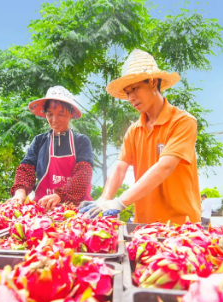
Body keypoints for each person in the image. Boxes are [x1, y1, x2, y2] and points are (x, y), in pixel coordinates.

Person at [81, 49, 200, 224]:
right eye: (128, 92)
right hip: (143, 225)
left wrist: (120, 202)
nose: (131, 98)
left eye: (135, 89)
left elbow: (164, 167)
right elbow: (120, 168)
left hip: (180, 226)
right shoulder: (134, 131)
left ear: (153, 83)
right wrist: (104, 199)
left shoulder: (183, 122)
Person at [10, 86, 94, 210]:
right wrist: (20, 191)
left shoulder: (81, 141)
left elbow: (84, 173)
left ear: (71, 114)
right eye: (50, 114)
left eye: (61, 114)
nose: (54, 120)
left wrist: (60, 195)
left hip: (77, 209)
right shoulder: (39, 141)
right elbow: (25, 169)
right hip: (44, 210)